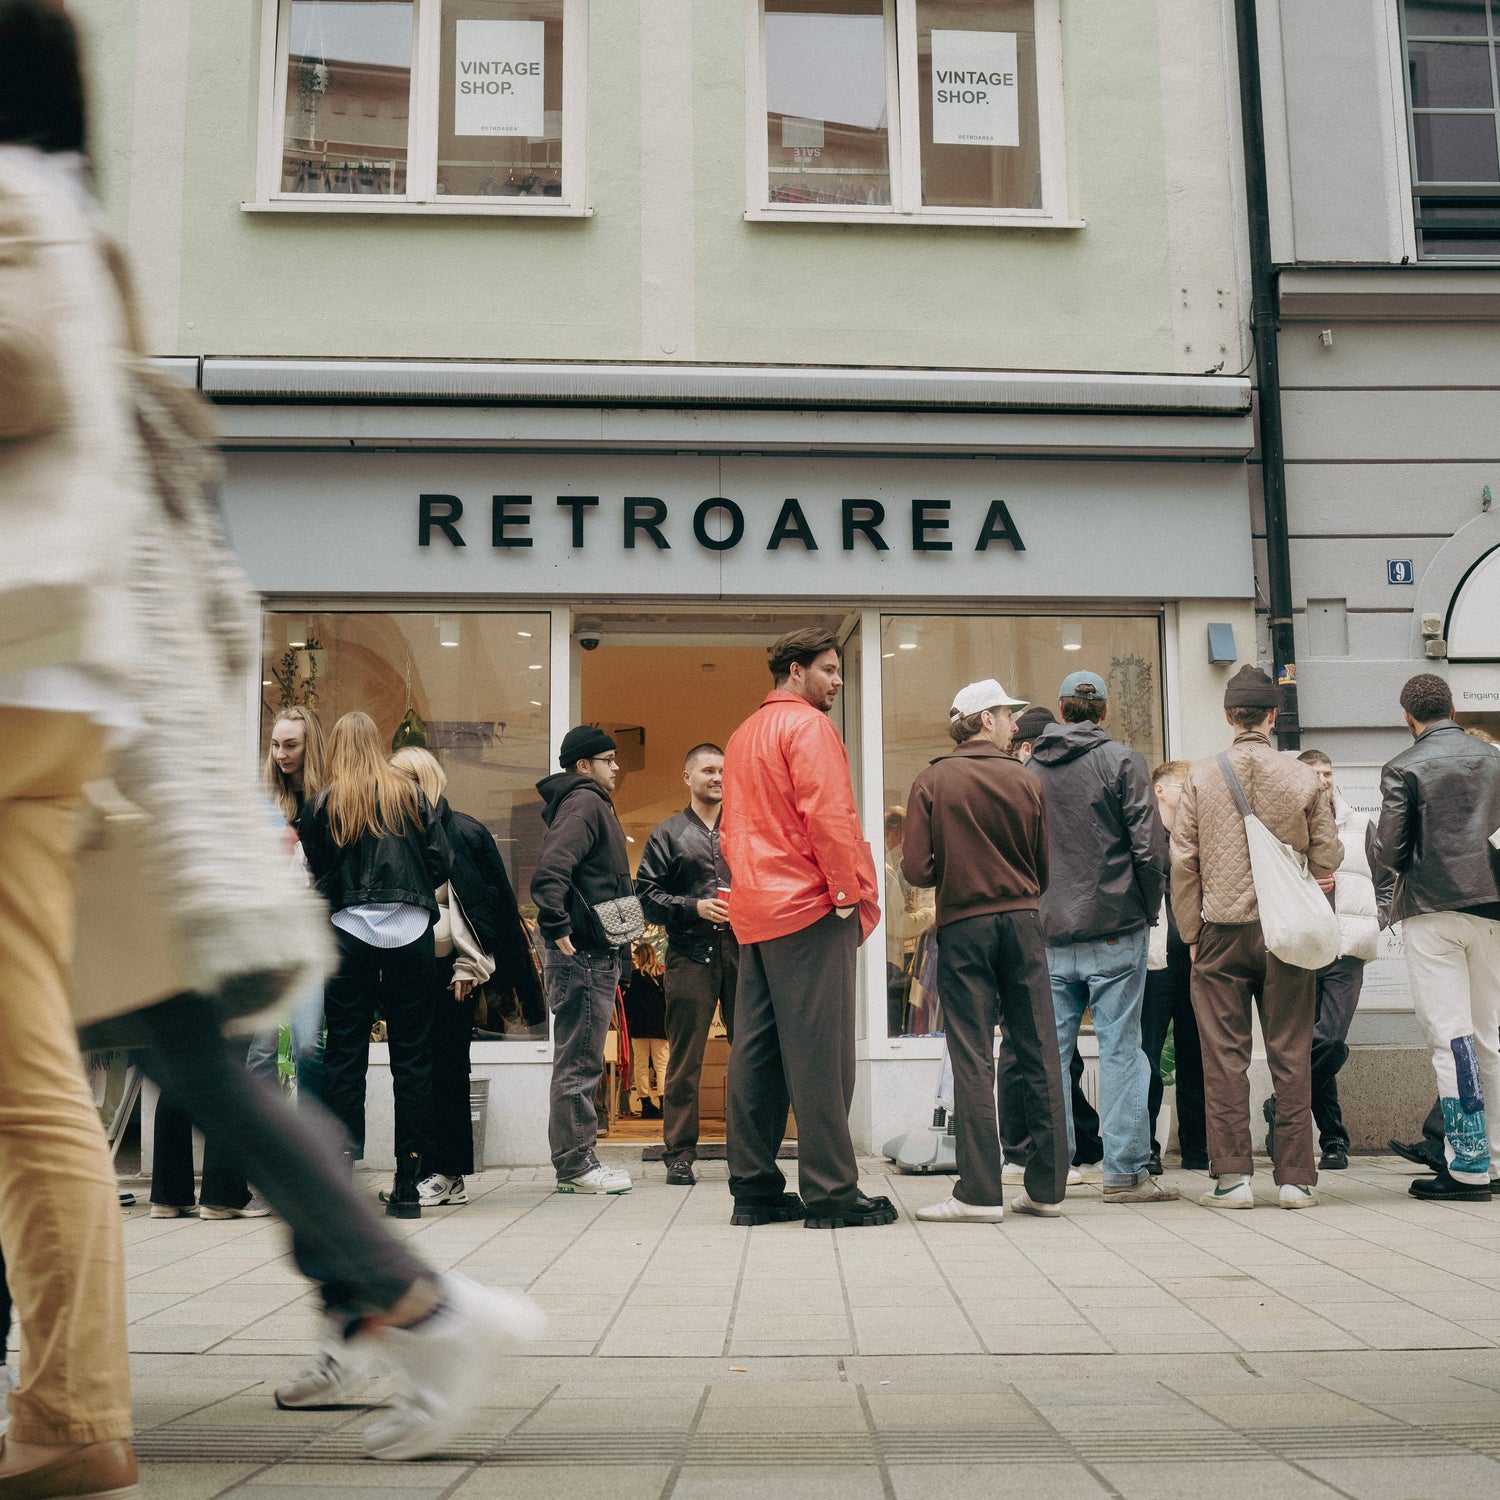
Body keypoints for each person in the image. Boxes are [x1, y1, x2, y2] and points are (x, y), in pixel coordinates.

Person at [0, 8, 144, 1486]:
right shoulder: (75, 213)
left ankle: (73, 1410)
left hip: (12, 672)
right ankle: (66, 1411)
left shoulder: (15, 201)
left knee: (23, 1071)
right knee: (25, 1061)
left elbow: (19, 370)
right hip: (51, 681)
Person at [721, 627, 889, 1230]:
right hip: (809, 904)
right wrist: (846, 892)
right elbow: (830, 813)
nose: (837, 681)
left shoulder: (743, 734)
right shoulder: (809, 727)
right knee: (822, 1056)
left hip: (756, 909)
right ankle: (832, 1193)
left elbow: (735, 826)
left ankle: (755, 1189)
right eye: (828, 669)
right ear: (795, 672)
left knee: (757, 1052)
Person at [1171, 664, 1342, 1210]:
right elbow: (1330, 855)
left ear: (1228, 716)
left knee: (1224, 1058)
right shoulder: (1304, 778)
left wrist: (1191, 933)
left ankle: (1232, 1179)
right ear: (1273, 716)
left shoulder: (1200, 776)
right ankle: (1295, 1178)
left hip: (1221, 931)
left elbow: (1183, 860)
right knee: (1291, 1053)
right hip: (1286, 932)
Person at [901, 679, 1070, 1221]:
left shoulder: (932, 780)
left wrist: (958, 868)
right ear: (982, 720)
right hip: (1023, 922)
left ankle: (978, 1192)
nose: (1013, 723)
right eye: (1005, 713)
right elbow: (1044, 871)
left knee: (972, 1054)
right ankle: (1046, 1189)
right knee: (1040, 1046)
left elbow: (916, 869)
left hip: (965, 924)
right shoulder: (1026, 782)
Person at [1026, 671, 1175, 1204]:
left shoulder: (1030, 768)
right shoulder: (1121, 760)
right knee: (1120, 1049)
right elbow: (1150, 849)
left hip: (1048, 929)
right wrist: (1147, 908)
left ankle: (1052, 1174)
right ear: (1103, 712)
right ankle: (1125, 1172)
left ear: (1062, 710)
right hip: (1115, 925)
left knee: (1052, 1053)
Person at [298, 711, 450, 1216]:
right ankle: (408, 1183)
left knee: (345, 1054)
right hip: (410, 932)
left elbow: (319, 869)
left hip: (348, 932)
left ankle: (342, 1175)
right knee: (413, 1058)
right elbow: (439, 860)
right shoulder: (411, 794)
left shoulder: (324, 802)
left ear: (338, 747)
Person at [389, 746, 544, 1208]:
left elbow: (486, 907)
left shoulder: (460, 832)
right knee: (416, 1069)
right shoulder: (399, 832)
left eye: (400, 779)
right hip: (412, 962)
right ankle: (419, 1171)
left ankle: (448, 1172)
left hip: (452, 970)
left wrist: (470, 966)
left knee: (447, 1071)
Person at [1367, 674, 1500, 1203]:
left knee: (1452, 1038)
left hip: (1432, 907)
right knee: (1490, 1035)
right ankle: (1496, 1160)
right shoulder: (1495, 758)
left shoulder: (1403, 766)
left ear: (1408, 716)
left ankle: (1467, 1164)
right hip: (1493, 908)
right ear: (1453, 707)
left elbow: (1392, 852)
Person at [1000, 702, 1102, 1181]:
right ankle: (1024, 1151)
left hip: (1042, 927)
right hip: (1031, 929)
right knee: (1029, 1047)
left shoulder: (1031, 785)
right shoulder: (1019, 786)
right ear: (1027, 748)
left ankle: (1065, 1144)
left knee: (1052, 1050)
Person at [531, 725, 636, 1194]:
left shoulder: (589, 802)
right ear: (583, 765)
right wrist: (556, 925)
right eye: (609, 759)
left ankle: (576, 1161)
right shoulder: (585, 801)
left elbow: (607, 883)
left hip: (595, 952)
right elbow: (553, 866)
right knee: (579, 1061)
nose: (617, 767)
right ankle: (576, 1166)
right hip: (583, 955)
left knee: (580, 1058)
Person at [635, 743, 741, 1184]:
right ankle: (679, 1154)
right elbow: (645, 896)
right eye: (708, 770)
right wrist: (693, 907)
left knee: (750, 1056)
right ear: (687, 777)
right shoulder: (668, 833)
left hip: (743, 953)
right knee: (683, 1060)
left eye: (723, 771)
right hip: (689, 956)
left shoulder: (747, 829)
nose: (718, 777)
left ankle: (750, 1151)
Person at [1289, 749, 1378, 1173]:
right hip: (1305, 945)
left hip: (1347, 947)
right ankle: (1334, 1140)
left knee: (1330, 1038)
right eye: (1314, 772)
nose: (1323, 779)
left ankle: (1282, 1100)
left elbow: (1389, 876)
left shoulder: (1360, 824)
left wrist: (1376, 916)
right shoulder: (1288, 821)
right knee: (1314, 1039)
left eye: (1328, 771)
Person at [248, 705, 329, 1105]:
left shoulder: (329, 800)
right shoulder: (267, 802)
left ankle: (310, 1143)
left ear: (309, 746)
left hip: (314, 932)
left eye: (291, 745)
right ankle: (260, 1148)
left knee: (309, 1044)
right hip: (271, 933)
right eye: (276, 745)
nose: (281, 754)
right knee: (262, 1048)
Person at [1141, 761, 1208, 1173]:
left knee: (1195, 1052)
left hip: (1195, 954)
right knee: (1147, 1053)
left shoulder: (1195, 836)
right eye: (1185, 785)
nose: (1192, 793)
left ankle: (1198, 1147)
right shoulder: (1145, 836)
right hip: (1155, 957)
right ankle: (1145, 1147)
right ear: (1160, 790)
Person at [623, 943, 669, 1120]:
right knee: (662, 1065)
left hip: (639, 1027)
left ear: (641, 957)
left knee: (641, 1065)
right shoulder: (664, 977)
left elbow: (629, 1005)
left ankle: (646, 1103)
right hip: (660, 1027)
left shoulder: (634, 977)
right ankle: (665, 1102)